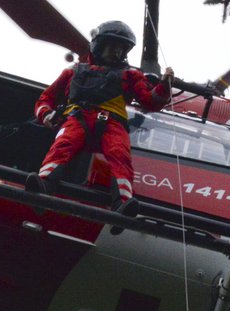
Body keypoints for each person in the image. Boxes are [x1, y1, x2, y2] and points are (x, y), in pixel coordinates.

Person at [29, 20, 174, 205]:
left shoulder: (131, 75)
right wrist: (46, 115)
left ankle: (122, 202)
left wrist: (164, 85)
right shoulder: (73, 71)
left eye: (122, 48)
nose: (117, 52)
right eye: (113, 46)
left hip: (112, 123)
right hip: (77, 118)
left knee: (119, 155)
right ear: (99, 44)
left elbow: (150, 102)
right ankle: (44, 183)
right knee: (64, 144)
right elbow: (45, 99)